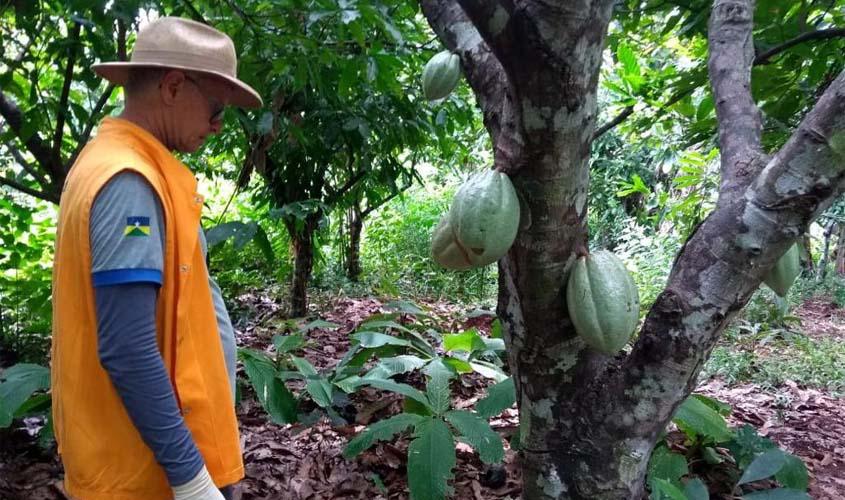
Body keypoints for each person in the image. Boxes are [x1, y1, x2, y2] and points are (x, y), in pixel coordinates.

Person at [50, 17, 263, 500]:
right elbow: (127, 349)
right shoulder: (128, 181)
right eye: (215, 106)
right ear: (171, 87)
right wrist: (191, 479)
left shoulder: (118, 163)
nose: (217, 124)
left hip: (157, 461)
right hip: (147, 475)